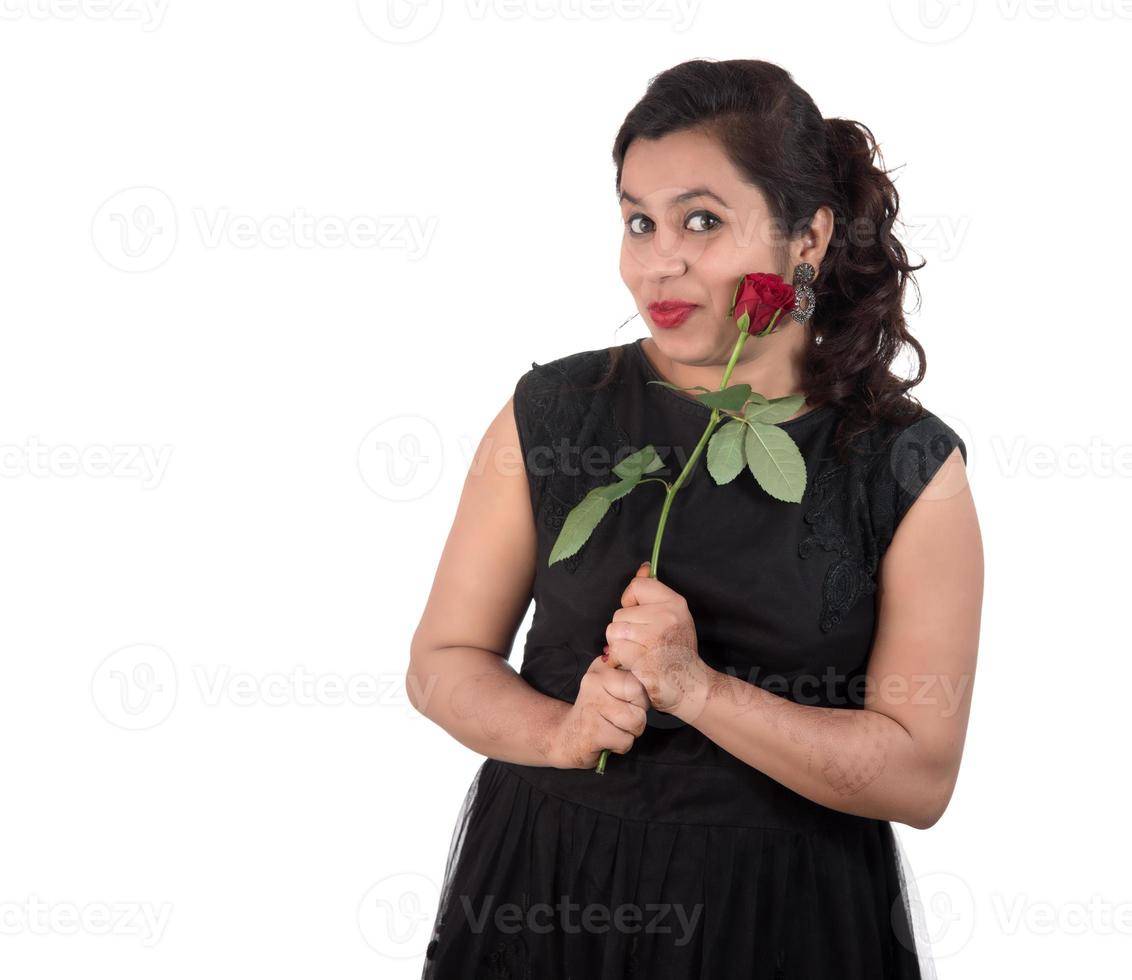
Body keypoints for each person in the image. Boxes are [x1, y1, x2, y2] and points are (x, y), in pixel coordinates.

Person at [407, 57, 983, 979]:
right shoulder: (551, 412)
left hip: (781, 922)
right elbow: (441, 664)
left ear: (810, 236)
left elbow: (919, 777)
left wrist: (696, 688)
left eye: (702, 221)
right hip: (549, 895)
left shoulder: (912, 470)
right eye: (639, 221)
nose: (658, 259)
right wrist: (559, 734)